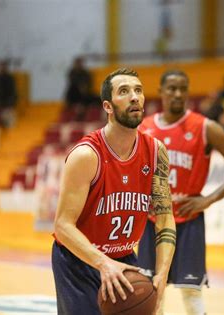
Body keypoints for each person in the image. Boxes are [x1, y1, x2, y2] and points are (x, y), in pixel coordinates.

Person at [53, 68, 176, 315]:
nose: (134, 97)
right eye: (124, 91)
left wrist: (162, 274)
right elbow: (63, 226)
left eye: (138, 90)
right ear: (108, 107)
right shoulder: (87, 155)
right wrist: (103, 263)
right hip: (79, 262)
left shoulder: (155, 152)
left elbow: (164, 219)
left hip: (124, 259)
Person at [138, 70, 224, 315]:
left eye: (183, 88)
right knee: (151, 292)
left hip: (187, 220)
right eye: (171, 88)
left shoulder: (205, 127)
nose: (177, 94)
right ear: (160, 92)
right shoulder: (144, 128)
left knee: (191, 292)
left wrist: (210, 199)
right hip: (152, 222)